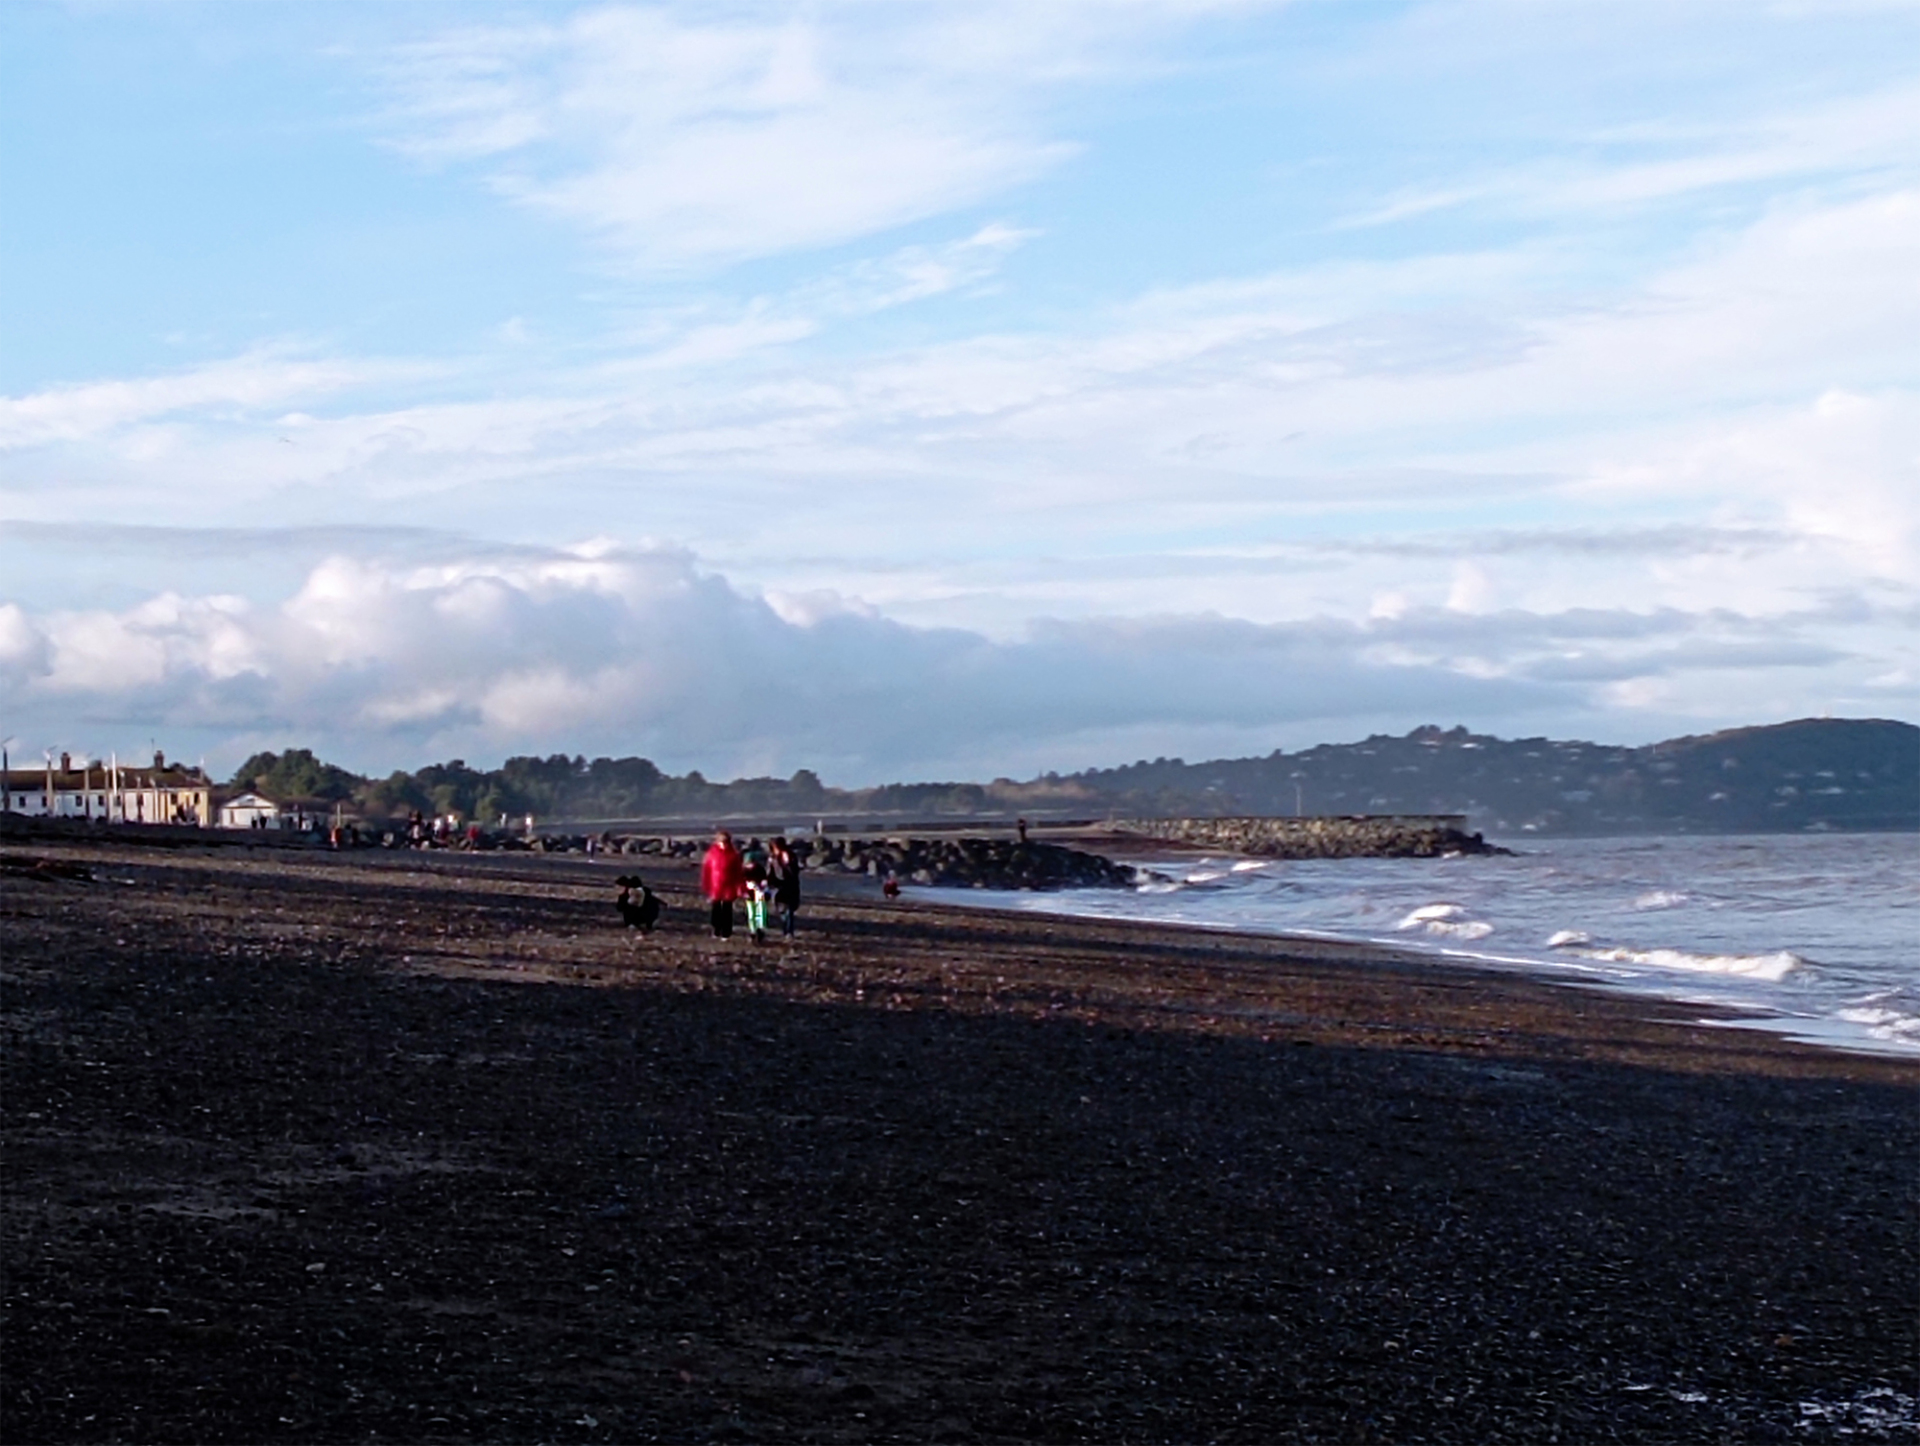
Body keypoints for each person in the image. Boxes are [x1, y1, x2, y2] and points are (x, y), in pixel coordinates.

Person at [700, 829, 746, 939]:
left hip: (729, 886)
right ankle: (716, 930)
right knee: (716, 910)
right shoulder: (711, 854)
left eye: (726, 842)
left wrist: (740, 887)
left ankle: (726, 932)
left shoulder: (734, 855)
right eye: (722, 842)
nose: (724, 844)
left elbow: (739, 872)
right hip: (715, 886)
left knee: (727, 910)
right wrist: (706, 885)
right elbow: (706, 871)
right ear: (717, 842)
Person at [768, 836, 802, 938]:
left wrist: (788, 863)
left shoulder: (790, 856)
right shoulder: (773, 858)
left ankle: (789, 932)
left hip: (790, 886)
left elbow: (794, 872)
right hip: (779, 886)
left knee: (789, 910)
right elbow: (770, 872)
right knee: (782, 910)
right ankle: (786, 930)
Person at [740, 837, 770, 944]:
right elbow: (765, 879)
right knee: (758, 912)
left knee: (753, 913)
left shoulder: (744, 869)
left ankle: (755, 931)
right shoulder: (760, 866)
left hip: (751, 894)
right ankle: (758, 930)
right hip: (757, 893)